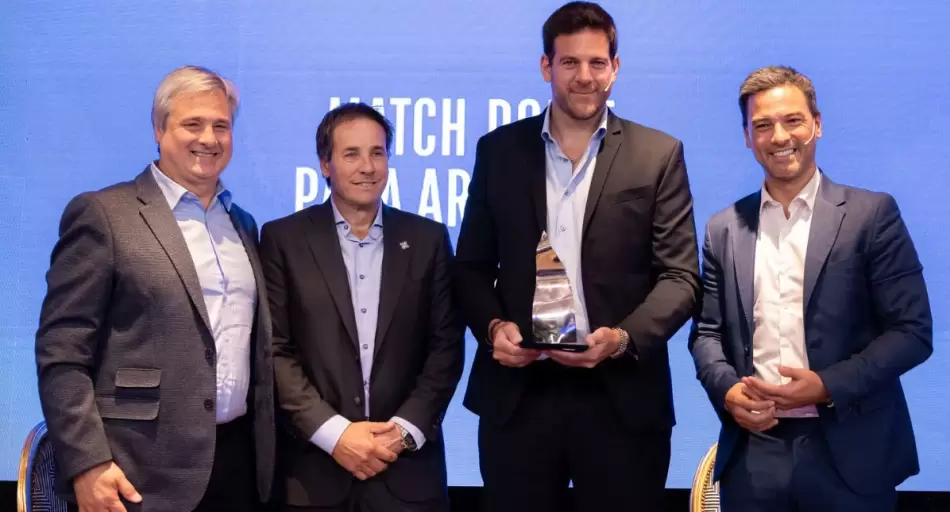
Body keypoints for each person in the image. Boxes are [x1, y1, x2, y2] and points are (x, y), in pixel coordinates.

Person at [454, 2, 701, 510]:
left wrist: (622, 339)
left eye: (596, 62)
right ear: (547, 67)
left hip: (621, 397)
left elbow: (680, 277)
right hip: (519, 396)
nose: (584, 76)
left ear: (615, 67)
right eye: (570, 62)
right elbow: (471, 268)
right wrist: (493, 327)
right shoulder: (498, 151)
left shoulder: (657, 154)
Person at [688, 65, 933, 511]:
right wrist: (728, 391)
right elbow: (706, 334)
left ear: (817, 124)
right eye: (763, 125)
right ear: (747, 137)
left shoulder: (871, 215)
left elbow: (912, 332)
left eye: (793, 120)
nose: (779, 136)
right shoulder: (723, 228)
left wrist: (825, 385)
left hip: (851, 450)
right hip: (754, 453)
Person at [35, 65, 275, 512]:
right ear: (159, 130)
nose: (209, 138)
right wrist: (88, 463)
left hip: (238, 467)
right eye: (192, 124)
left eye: (221, 126)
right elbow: (62, 353)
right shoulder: (105, 214)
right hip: (135, 473)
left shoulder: (243, 224)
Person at [260, 102, 464, 512]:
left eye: (377, 152)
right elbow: (275, 350)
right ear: (325, 164)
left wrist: (402, 432)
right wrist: (335, 434)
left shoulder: (427, 239)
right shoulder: (284, 239)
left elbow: (446, 347)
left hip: (408, 475)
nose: (367, 167)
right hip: (313, 477)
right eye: (351, 154)